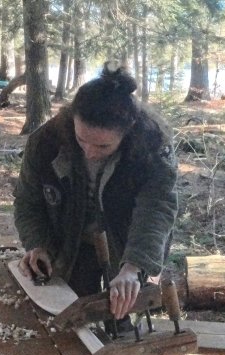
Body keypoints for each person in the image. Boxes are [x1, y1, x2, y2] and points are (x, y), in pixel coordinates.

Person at [13, 64, 178, 324]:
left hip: (126, 236)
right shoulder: (45, 142)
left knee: (123, 304)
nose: (89, 152)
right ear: (72, 119)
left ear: (128, 130)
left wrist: (134, 266)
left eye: (103, 145)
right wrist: (38, 244)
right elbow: (27, 202)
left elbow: (156, 209)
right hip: (68, 233)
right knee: (72, 309)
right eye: (81, 140)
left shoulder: (153, 147)